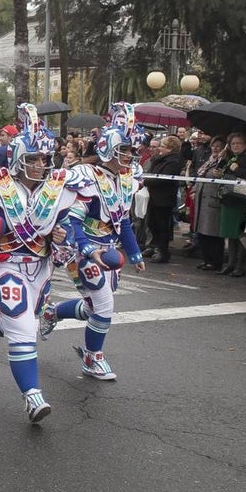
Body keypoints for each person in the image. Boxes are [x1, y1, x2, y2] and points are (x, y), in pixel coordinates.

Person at [0, 104, 82, 423]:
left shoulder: (58, 190)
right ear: (17, 160)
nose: (40, 165)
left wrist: (62, 234)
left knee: (17, 321)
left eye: (43, 159)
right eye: (32, 159)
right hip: (6, 264)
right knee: (22, 325)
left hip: (41, 268)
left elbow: (71, 226)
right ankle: (32, 395)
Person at [39, 105, 146, 382]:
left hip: (109, 248)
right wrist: (87, 248)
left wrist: (134, 253)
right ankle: (92, 357)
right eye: (124, 150)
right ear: (108, 149)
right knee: (104, 305)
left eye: (131, 151)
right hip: (83, 249)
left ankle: (52, 312)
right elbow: (73, 219)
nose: (129, 155)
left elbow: (122, 221)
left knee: (91, 308)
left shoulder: (125, 179)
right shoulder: (85, 176)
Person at [216, 133, 246, 277]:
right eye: (233, 144)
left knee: (240, 234)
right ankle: (230, 263)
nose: (235, 146)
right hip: (228, 199)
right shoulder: (230, 158)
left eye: (239, 143)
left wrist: (236, 169)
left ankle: (240, 265)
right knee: (230, 234)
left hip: (240, 201)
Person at [142, 135, 185, 263]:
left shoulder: (174, 161)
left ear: (170, 149)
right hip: (155, 196)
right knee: (151, 223)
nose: (160, 148)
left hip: (164, 198)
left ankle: (162, 251)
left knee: (162, 226)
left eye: (163, 146)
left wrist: (146, 181)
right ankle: (156, 247)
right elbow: (151, 171)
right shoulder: (159, 159)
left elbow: (163, 178)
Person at [192, 136, 228, 271]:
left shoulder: (223, 162)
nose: (215, 148)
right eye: (213, 146)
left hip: (213, 202)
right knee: (202, 233)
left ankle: (215, 261)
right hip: (202, 201)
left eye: (218, 146)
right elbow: (200, 176)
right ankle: (206, 259)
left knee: (213, 234)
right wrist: (195, 190)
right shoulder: (209, 161)